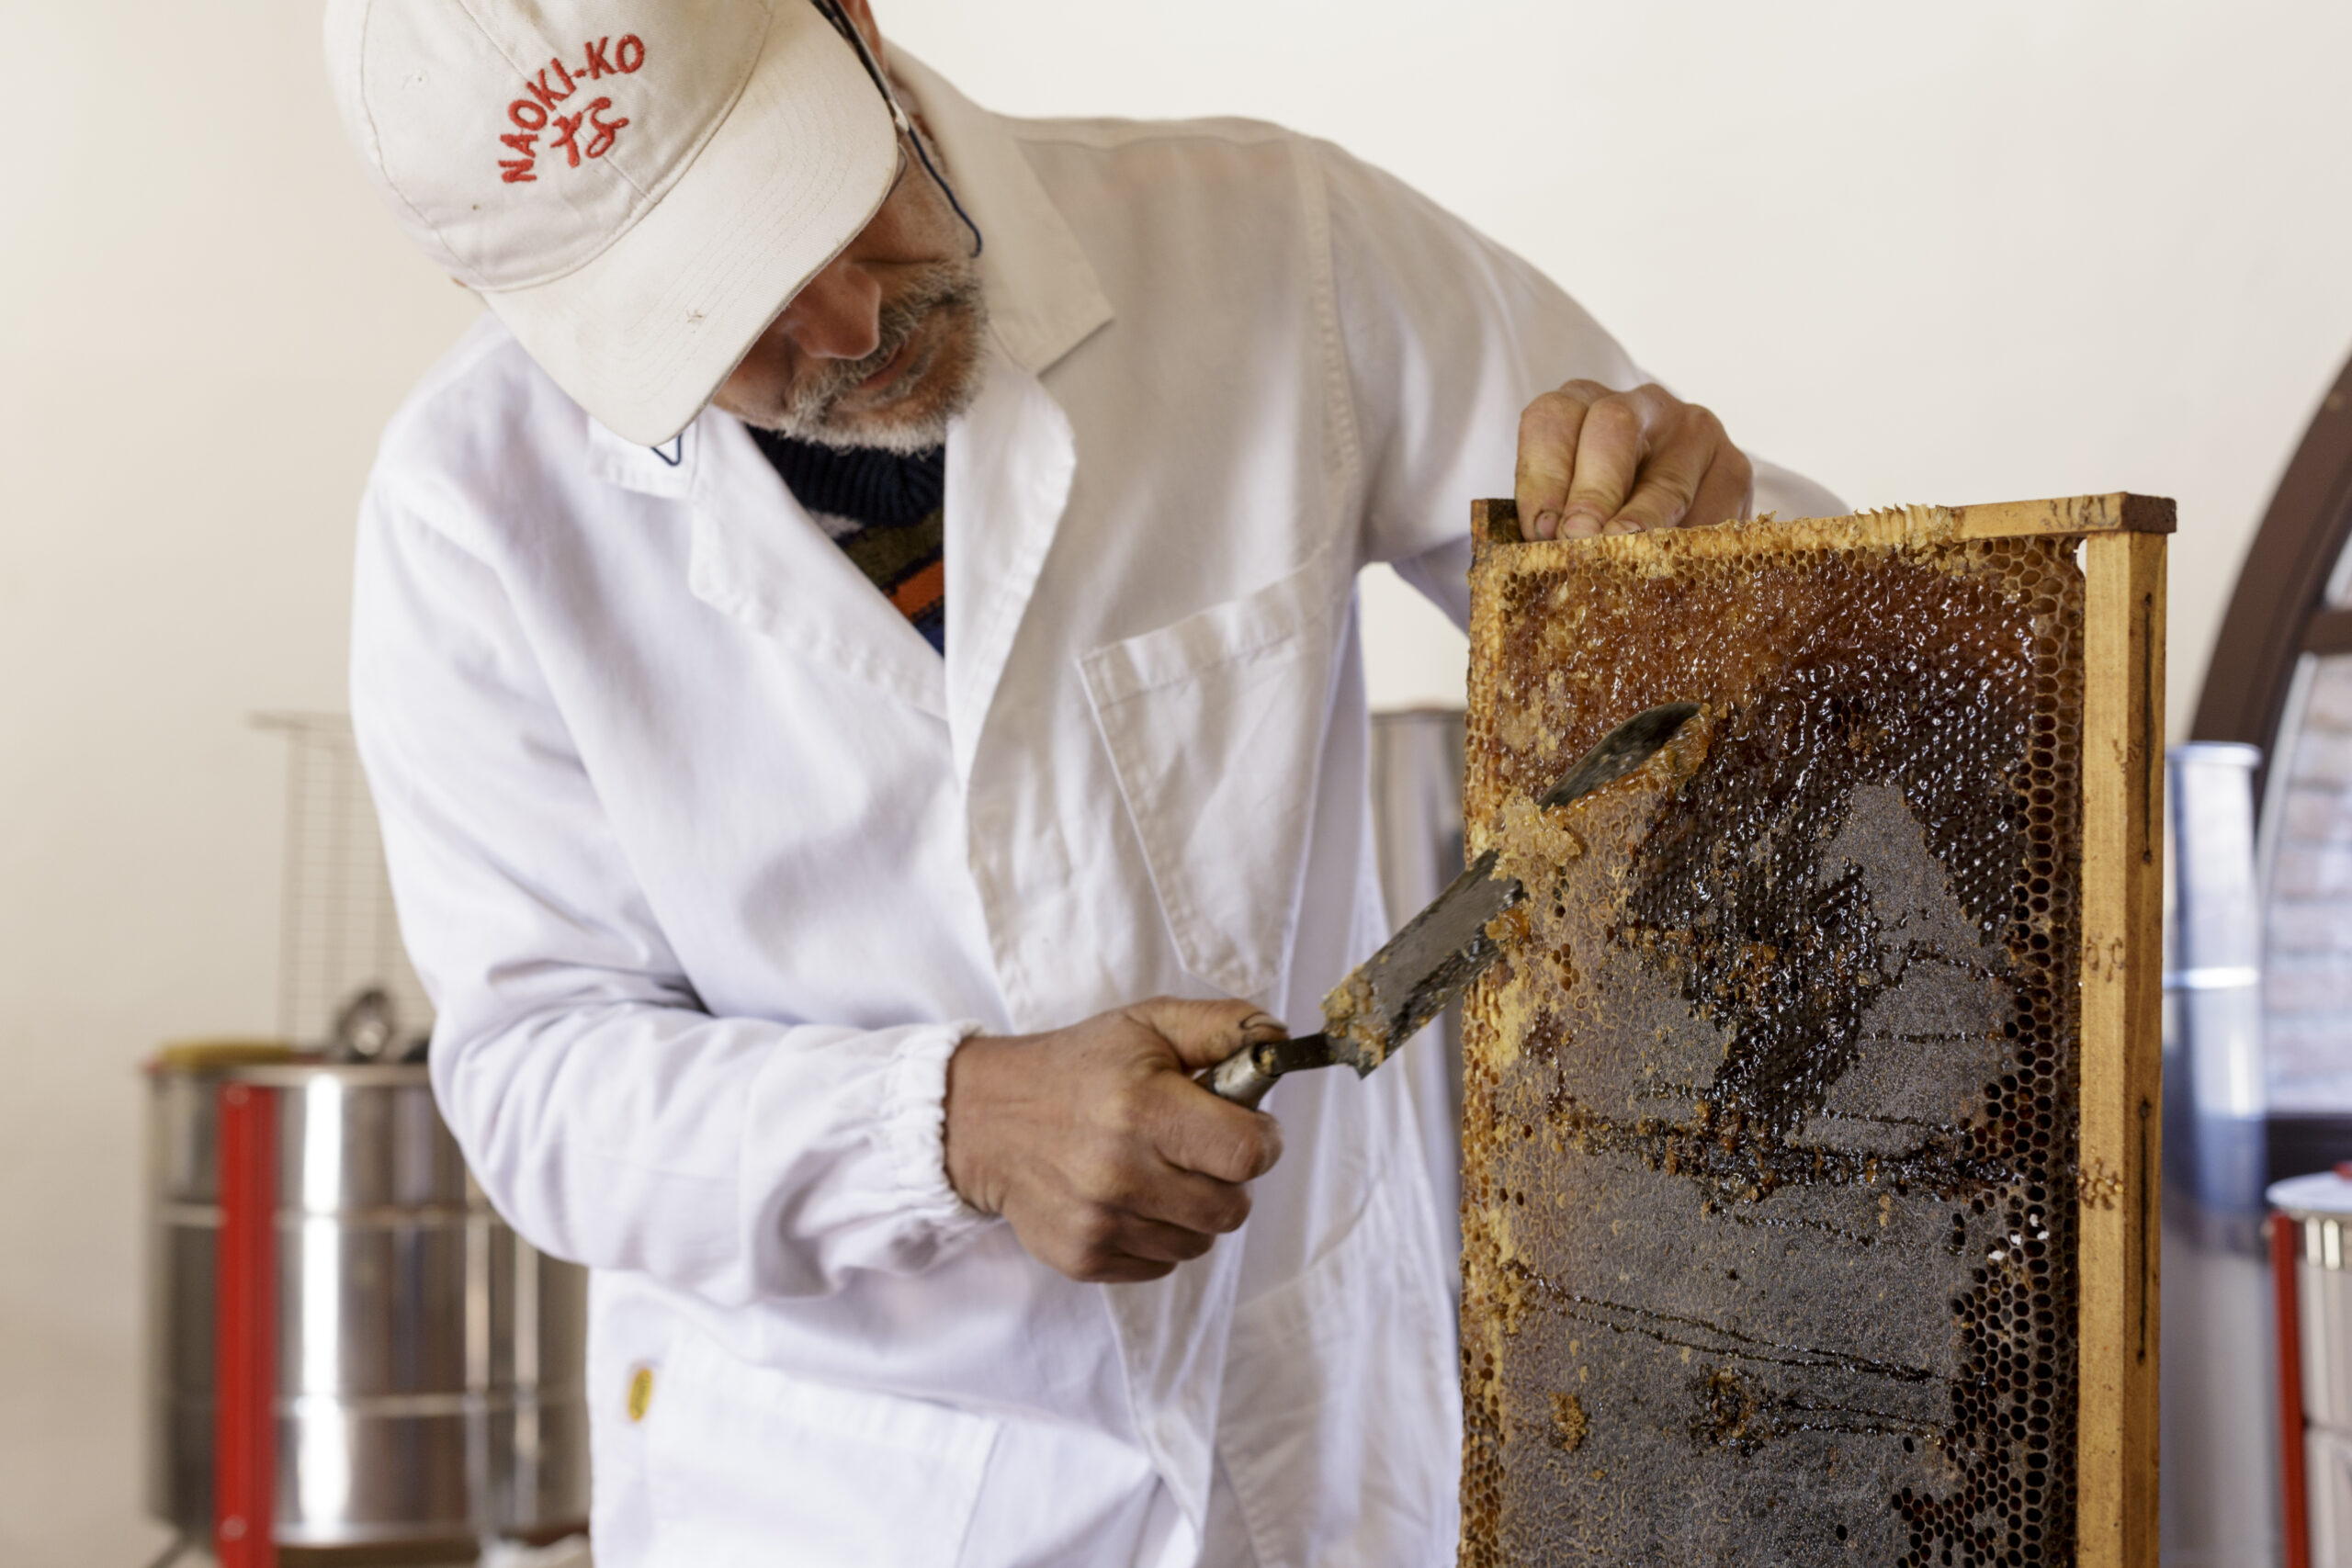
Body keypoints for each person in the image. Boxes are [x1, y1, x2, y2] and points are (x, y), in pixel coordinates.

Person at [325, 1, 1839, 1562]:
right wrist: (954, 1121)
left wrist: (1674, 550)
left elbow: (1780, 634)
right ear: (513, 296)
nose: (846, 325)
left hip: (1313, 1456)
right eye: (720, 317)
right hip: (836, 1497)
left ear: (856, 26)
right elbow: (536, 1079)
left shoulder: (1278, 249)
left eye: (829, 203)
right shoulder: (470, 511)